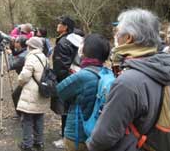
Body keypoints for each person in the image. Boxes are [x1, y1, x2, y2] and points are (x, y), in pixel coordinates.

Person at [87, 9, 170, 151]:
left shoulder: (128, 82)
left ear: (129, 38)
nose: (115, 36)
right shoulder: (163, 65)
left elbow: (102, 138)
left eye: (117, 31)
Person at [56, 34, 111, 151]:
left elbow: (60, 91)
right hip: (96, 133)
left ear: (86, 51)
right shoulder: (107, 72)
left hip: (77, 135)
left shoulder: (82, 76)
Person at [17, 37, 49, 151]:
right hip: (42, 89)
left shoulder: (31, 57)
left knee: (27, 119)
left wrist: (19, 81)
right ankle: (39, 142)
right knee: (39, 117)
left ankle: (27, 144)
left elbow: (24, 76)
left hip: (31, 92)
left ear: (31, 46)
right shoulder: (44, 57)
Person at [52, 16, 78, 149]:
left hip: (66, 79)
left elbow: (61, 66)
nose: (57, 25)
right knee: (71, 108)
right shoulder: (73, 39)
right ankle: (68, 134)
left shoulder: (63, 42)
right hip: (75, 76)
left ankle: (65, 138)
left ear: (65, 27)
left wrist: (60, 81)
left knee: (65, 109)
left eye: (60, 23)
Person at [6, 35, 28, 118]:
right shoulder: (24, 51)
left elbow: (11, 65)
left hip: (28, 79)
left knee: (15, 95)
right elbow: (16, 53)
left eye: (16, 41)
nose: (14, 43)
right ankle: (23, 113)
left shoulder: (23, 56)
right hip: (27, 78)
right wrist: (12, 49)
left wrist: (10, 55)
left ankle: (21, 114)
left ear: (20, 44)